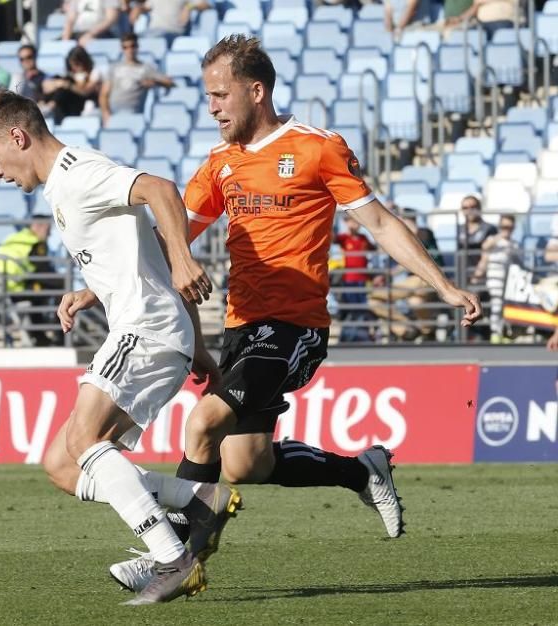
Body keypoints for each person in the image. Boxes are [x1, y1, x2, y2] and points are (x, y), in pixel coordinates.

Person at [108, 34, 482, 591]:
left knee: (202, 423)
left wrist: (442, 284)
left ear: (255, 91)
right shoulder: (221, 163)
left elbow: (378, 222)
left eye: (219, 95)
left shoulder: (316, 147)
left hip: (295, 327)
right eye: (207, 96)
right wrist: (102, 286)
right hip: (242, 325)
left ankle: (172, 558)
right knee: (246, 466)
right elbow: (174, 238)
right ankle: (361, 470)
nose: (211, 107)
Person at [0, 89, 241, 605]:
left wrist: (184, 261)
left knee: (86, 442)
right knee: (62, 464)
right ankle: (197, 496)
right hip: (152, 329)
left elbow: (160, 189)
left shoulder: (77, 172)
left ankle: (173, 558)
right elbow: (141, 256)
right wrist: (194, 345)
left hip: (145, 329)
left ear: (18, 137)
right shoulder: (61, 187)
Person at [0, 215, 64, 346]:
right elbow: (43, 269)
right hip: (14, 287)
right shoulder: (34, 243)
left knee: (39, 293)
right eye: (48, 229)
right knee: (59, 291)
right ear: (39, 226)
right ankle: (60, 336)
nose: (49, 234)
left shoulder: (14, 238)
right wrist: (64, 282)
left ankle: (41, 337)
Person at [368, 207, 443, 341]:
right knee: (375, 301)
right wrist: (388, 274)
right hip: (414, 281)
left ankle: (425, 331)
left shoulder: (425, 232)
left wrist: (407, 224)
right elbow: (401, 260)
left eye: (402, 218)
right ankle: (408, 329)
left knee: (415, 301)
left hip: (429, 278)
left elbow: (417, 238)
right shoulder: (401, 236)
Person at [99, 33, 174, 126]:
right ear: (122, 49)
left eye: (132, 46)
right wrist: (106, 113)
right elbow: (104, 94)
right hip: (113, 113)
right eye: (125, 47)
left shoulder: (146, 68)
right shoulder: (114, 68)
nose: (129, 50)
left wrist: (155, 82)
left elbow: (170, 82)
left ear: (137, 47)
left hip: (133, 113)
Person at [472, 214, 520, 342]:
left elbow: (518, 262)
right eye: (504, 226)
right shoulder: (493, 239)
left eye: (509, 227)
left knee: (507, 306)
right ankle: (495, 333)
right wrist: (500, 236)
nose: (506, 229)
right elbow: (485, 247)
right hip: (495, 277)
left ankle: (503, 332)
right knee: (497, 305)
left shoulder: (514, 244)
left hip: (510, 280)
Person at [334, 213, 375, 342]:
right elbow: (333, 238)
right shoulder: (344, 238)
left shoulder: (364, 238)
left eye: (356, 221)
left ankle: (361, 335)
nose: (354, 224)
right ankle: (348, 336)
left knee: (362, 307)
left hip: (363, 280)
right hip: (349, 279)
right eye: (351, 221)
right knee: (351, 308)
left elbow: (374, 249)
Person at [42, 46, 103, 124]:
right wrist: (58, 83)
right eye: (72, 65)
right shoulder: (73, 74)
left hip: (85, 103)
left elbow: (86, 91)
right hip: (70, 104)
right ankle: (45, 104)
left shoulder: (95, 73)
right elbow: (45, 86)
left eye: (77, 64)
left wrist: (66, 84)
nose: (74, 68)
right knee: (59, 81)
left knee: (65, 83)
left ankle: (50, 106)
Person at [129, 0, 210, 39]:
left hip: (173, 31)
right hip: (153, 31)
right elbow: (146, 6)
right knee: (131, 40)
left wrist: (189, 7)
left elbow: (206, 5)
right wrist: (138, 8)